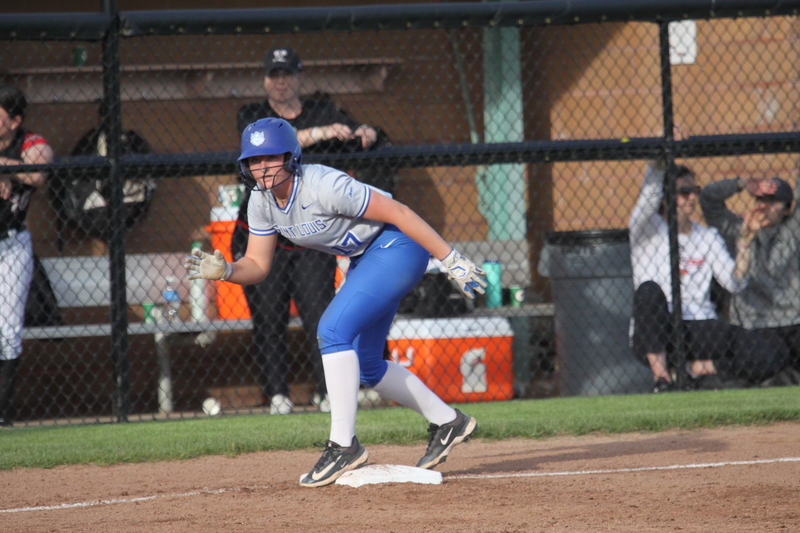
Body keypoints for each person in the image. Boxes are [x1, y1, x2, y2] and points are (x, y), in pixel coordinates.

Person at [186, 117, 485, 487]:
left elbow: (400, 213)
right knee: (368, 366)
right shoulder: (261, 203)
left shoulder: (323, 184)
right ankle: (447, 422)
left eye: (270, 158)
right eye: (253, 161)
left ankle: (344, 446)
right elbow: (259, 265)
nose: (261, 168)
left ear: (291, 156)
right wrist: (227, 271)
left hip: (397, 245)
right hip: (367, 257)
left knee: (331, 329)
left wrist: (450, 258)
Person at [231, 47, 384, 415]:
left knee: (321, 315)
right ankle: (277, 395)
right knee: (269, 315)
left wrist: (364, 131)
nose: (280, 82)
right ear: (264, 79)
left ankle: (327, 391)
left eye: (287, 74)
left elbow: (362, 132)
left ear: (299, 77)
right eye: (273, 75)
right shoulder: (253, 115)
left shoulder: (323, 109)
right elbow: (270, 142)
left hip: (311, 234)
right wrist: (319, 133)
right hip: (266, 232)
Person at [629, 160, 787, 393]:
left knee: (770, 353)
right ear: (665, 198)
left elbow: (734, 283)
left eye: (695, 190)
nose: (692, 197)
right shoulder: (646, 229)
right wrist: (659, 155)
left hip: (698, 328)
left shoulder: (707, 236)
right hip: (658, 331)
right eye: (684, 192)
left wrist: (745, 240)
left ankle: (695, 370)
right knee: (648, 291)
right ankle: (663, 380)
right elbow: (650, 188)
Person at [700, 172, 800, 384]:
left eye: (772, 201)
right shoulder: (738, 229)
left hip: (795, 320)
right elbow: (708, 199)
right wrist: (741, 183)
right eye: (760, 199)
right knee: (765, 359)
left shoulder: (794, 229)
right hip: (756, 324)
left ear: (787, 209)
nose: (763, 205)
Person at [0, 85, 54, 427]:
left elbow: (38, 173)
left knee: (7, 332)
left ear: (15, 121)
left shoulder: (30, 142)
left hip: (11, 246)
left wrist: (4, 167)